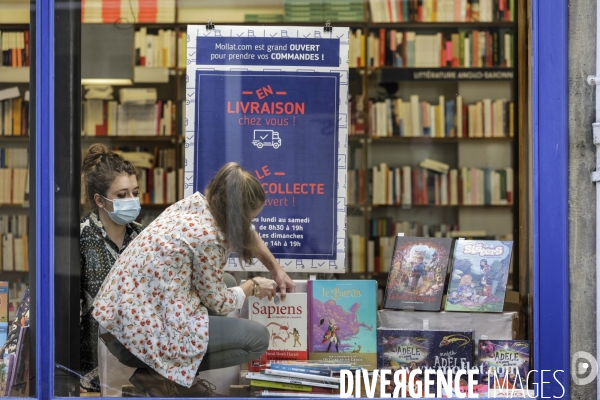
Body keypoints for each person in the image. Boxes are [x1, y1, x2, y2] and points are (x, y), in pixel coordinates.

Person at [93, 162, 296, 397]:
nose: (250, 224)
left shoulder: (196, 204)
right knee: (257, 338)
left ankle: (171, 376)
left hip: (118, 322)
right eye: (249, 217)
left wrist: (276, 269)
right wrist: (253, 286)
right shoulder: (209, 237)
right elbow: (218, 302)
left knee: (228, 281)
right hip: (133, 339)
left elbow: (247, 232)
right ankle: (165, 379)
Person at [79, 144, 145, 391]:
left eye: (135, 192)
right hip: (88, 377)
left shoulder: (145, 237)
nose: (132, 201)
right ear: (100, 200)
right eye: (122, 195)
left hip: (141, 374)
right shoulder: (80, 239)